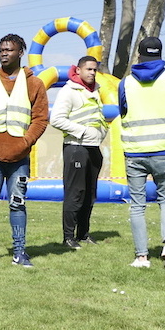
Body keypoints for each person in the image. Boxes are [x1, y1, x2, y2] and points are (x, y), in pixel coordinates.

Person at [0, 34, 49, 266]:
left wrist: (26, 142)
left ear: (20, 53)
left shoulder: (34, 84)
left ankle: (20, 252)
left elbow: (41, 118)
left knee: (18, 203)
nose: (4, 53)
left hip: (20, 157)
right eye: (1, 50)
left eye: (9, 50)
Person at [118, 36, 165, 270]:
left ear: (139, 55)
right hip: (164, 150)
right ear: (160, 54)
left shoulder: (125, 83)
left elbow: (123, 110)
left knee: (137, 205)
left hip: (135, 152)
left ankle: (142, 257)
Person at [49, 55, 108, 249]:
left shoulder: (96, 91)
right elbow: (56, 119)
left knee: (90, 194)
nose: (92, 73)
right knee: (75, 194)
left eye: (95, 70)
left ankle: (83, 234)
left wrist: (100, 134)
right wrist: (82, 132)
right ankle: (68, 237)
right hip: (76, 148)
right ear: (79, 70)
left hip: (94, 148)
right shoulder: (68, 91)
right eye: (89, 69)